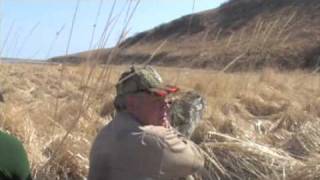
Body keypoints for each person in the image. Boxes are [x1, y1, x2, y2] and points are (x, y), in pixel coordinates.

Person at [88, 66, 204, 180]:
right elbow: (197, 159)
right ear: (132, 103)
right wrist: (169, 131)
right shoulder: (153, 138)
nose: (166, 105)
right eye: (157, 99)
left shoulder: (104, 134)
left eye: (167, 99)